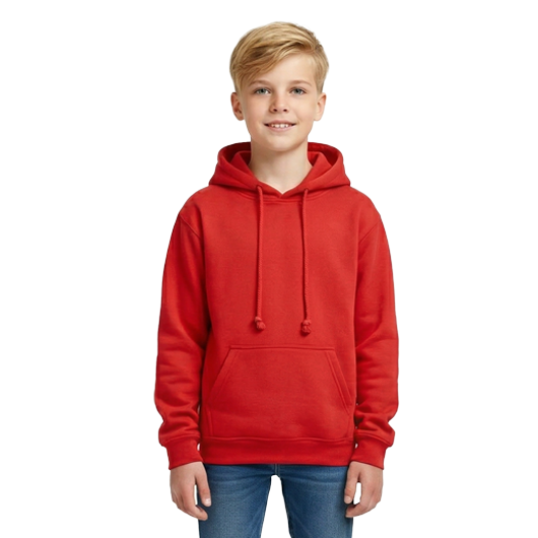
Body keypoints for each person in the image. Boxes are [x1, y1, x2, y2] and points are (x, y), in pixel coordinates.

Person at [154, 21, 399, 538]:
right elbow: (180, 338)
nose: (280, 104)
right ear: (237, 104)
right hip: (224, 451)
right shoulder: (201, 213)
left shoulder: (357, 215)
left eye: (297, 90)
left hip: (329, 448)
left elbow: (376, 337)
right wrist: (180, 446)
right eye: (262, 90)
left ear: (320, 104)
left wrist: (373, 444)